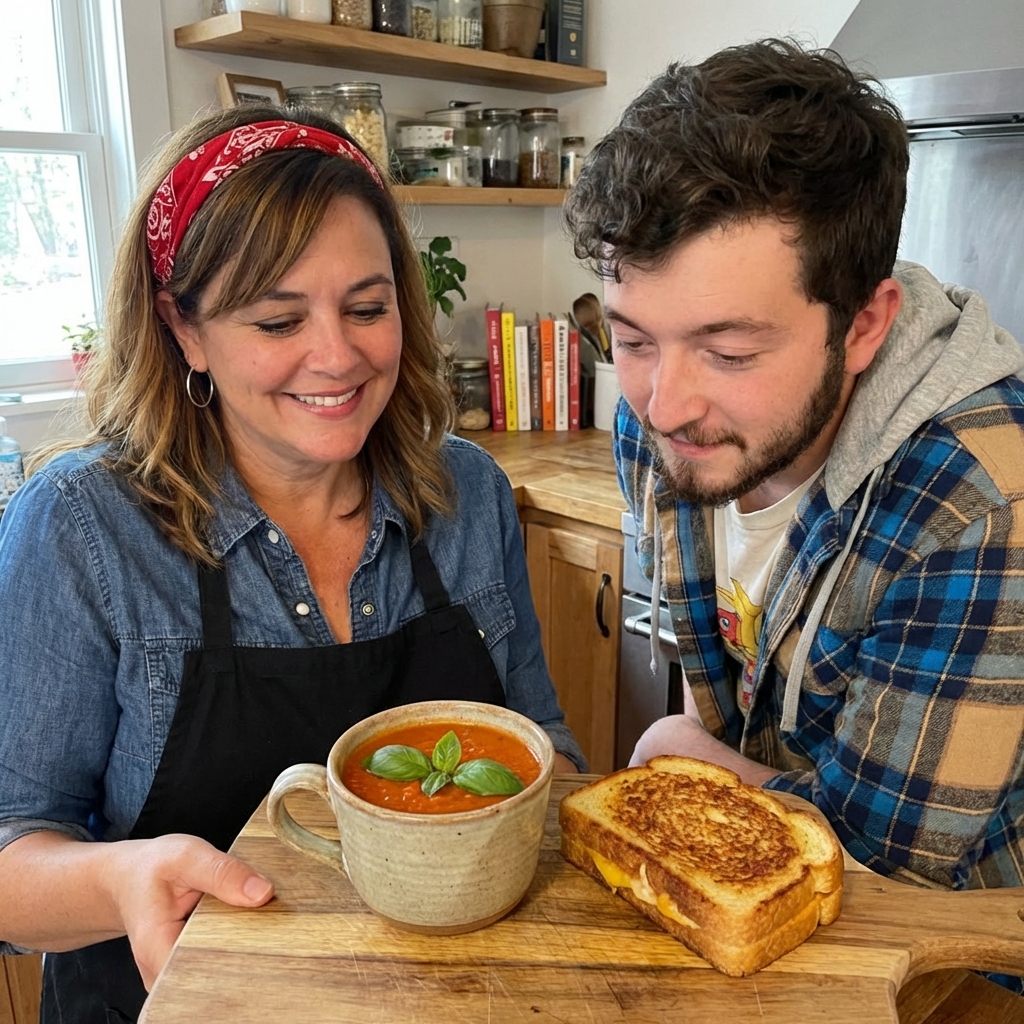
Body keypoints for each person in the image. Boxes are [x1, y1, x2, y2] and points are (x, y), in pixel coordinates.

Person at [0, 106, 584, 1022]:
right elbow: (9, 853)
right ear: (184, 330)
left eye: (367, 306)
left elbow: (543, 745)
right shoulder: (82, 527)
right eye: (278, 320)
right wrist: (122, 880)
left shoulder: (463, 493)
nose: (338, 356)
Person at [564, 38, 1024, 981]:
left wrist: (677, 749)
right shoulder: (656, 425)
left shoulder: (979, 499)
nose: (665, 403)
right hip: (750, 924)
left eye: (729, 352)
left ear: (864, 324)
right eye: (634, 338)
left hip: (949, 972)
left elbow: (885, 865)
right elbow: (729, 686)